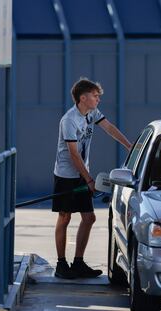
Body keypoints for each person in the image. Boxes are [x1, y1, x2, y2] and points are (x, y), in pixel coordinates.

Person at [53, 78, 131, 279]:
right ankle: (61, 265)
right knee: (65, 216)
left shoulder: (92, 114)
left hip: (82, 173)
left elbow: (109, 127)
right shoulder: (69, 120)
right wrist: (89, 180)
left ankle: (78, 263)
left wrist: (129, 146)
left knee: (89, 218)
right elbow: (73, 154)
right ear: (83, 98)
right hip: (66, 175)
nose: (98, 100)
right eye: (95, 96)